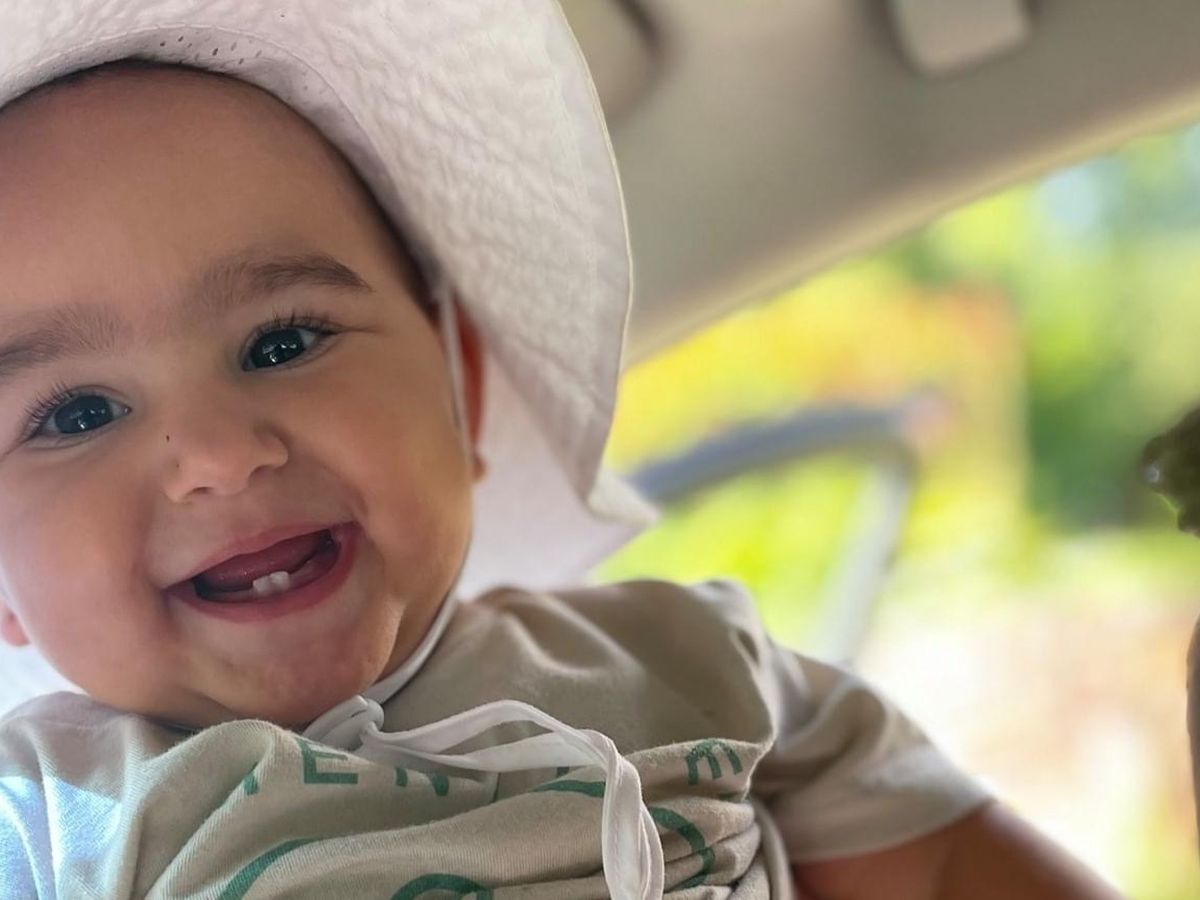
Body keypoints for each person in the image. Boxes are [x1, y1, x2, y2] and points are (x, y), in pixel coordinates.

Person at [0, 2, 1124, 897]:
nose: (216, 454)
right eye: (76, 414)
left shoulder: (697, 665)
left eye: (283, 341)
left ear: (461, 384)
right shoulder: (43, 817)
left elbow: (947, 870)